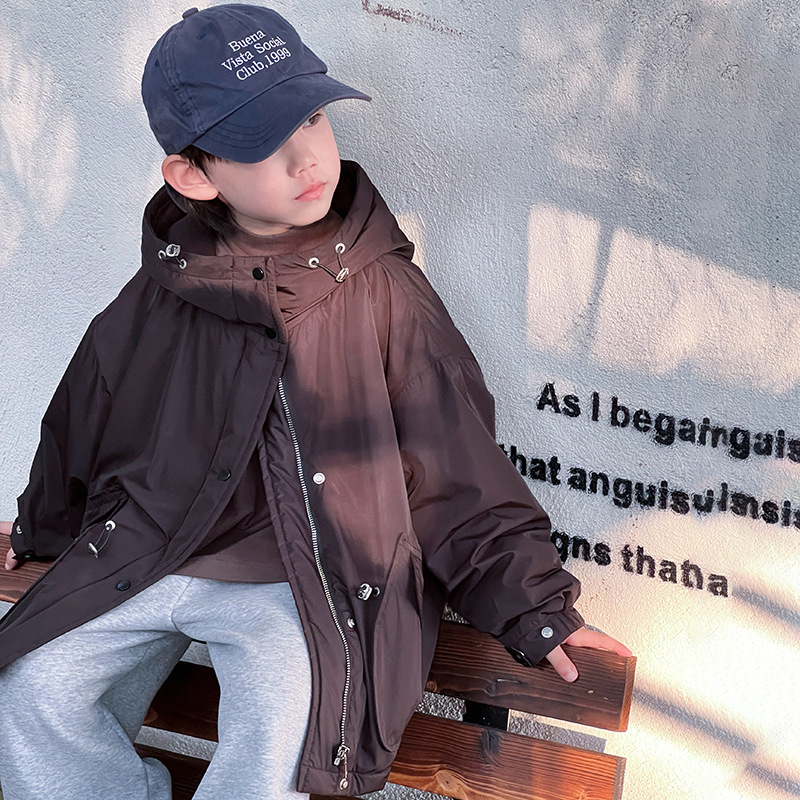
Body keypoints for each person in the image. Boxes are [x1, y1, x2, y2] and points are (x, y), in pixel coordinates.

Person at [0, 4, 630, 799]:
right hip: (154, 552)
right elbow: (84, 417)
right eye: (261, 142)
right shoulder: (162, 289)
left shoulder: (383, 292)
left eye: (311, 118)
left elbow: (456, 466)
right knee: (32, 686)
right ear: (194, 176)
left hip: (302, 582)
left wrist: (533, 606)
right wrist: (44, 528)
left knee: (286, 725)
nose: (306, 158)